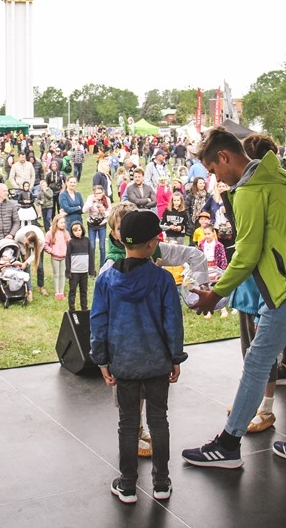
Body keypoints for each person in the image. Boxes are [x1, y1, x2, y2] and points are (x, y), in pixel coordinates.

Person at [182, 126, 286, 471]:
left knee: (257, 360)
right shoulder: (284, 173)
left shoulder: (251, 191)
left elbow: (246, 254)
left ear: (224, 157)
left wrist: (216, 294)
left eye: (213, 170)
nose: (215, 179)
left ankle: (228, 444)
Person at [90, 210, 186, 504]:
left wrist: (102, 361)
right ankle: (161, 483)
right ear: (152, 244)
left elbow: (98, 323)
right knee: (159, 421)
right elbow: (173, 323)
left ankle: (128, 485)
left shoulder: (105, 280)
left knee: (128, 423)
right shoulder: (164, 280)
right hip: (157, 364)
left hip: (124, 365)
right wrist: (175, 358)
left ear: (120, 238)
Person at [65, 220, 95, 312]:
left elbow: (91, 256)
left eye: (79, 230)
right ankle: (72, 309)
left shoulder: (87, 241)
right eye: (75, 231)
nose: (77, 232)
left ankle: (84, 309)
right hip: (74, 272)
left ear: (82, 230)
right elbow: (68, 258)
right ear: (72, 232)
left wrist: (91, 270)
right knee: (72, 291)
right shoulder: (71, 242)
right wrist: (68, 271)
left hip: (84, 272)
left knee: (84, 291)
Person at [44, 213, 70, 301]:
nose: (64, 224)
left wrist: (68, 252)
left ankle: (61, 292)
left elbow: (69, 244)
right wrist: (52, 251)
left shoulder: (66, 233)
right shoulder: (50, 233)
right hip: (55, 257)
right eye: (61, 222)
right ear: (56, 223)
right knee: (56, 274)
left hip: (64, 257)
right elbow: (45, 245)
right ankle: (57, 292)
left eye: (64, 222)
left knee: (62, 274)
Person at [83, 184, 110, 264]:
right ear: (93, 193)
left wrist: (103, 211)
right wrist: (92, 202)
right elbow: (84, 210)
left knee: (102, 246)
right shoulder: (90, 198)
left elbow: (109, 213)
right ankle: (92, 267)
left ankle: (102, 265)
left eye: (100, 193)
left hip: (102, 224)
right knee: (92, 246)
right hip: (92, 224)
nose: (98, 195)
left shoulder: (106, 200)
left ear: (103, 192)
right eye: (97, 193)